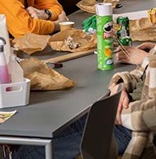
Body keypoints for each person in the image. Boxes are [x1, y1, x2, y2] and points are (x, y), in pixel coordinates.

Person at [14, 44, 156, 159]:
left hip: (134, 127)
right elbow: (139, 73)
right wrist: (120, 86)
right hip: (123, 111)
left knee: (30, 152)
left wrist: (112, 108)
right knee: (36, 136)